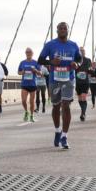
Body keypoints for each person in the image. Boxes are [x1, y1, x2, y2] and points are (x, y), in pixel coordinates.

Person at [38, 22, 82, 150]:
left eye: (65, 28)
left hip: (69, 79)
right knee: (56, 106)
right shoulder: (50, 44)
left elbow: (80, 59)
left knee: (66, 105)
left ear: (68, 30)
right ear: (57, 30)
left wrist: (77, 64)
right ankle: (57, 130)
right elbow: (40, 60)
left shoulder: (73, 45)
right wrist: (51, 61)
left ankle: (64, 136)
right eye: (60, 28)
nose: (63, 30)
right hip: (54, 79)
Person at [17, 47, 42, 122]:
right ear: (25, 53)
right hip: (24, 84)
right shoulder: (22, 62)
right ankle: (26, 112)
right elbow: (19, 72)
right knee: (23, 100)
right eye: (27, 52)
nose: (28, 53)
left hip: (33, 84)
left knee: (31, 101)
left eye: (30, 52)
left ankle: (31, 115)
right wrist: (22, 72)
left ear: (32, 53)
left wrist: (35, 70)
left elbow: (40, 74)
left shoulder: (35, 62)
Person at [75, 48, 93, 122]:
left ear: (85, 52)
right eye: (80, 51)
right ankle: (83, 111)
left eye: (83, 51)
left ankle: (83, 113)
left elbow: (88, 68)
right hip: (77, 82)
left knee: (83, 97)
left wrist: (91, 71)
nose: (82, 52)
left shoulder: (88, 60)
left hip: (85, 82)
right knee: (79, 99)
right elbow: (74, 69)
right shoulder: (75, 60)